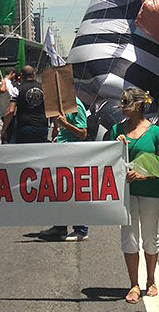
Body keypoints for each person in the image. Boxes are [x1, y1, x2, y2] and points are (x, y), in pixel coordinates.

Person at [110, 87, 159, 304]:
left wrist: (145, 175)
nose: (122, 105)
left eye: (126, 102)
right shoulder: (117, 129)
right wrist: (114, 145)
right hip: (125, 194)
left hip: (151, 193)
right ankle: (134, 283)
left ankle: (151, 279)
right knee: (129, 239)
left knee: (150, 238)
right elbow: (106, 158)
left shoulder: (155, 132)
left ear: (138, 104)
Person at [39, 97, 89, 242]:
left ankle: (81, 230)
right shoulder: (62, 105)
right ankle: (60, 225)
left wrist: (65, 124)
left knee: (73, 192)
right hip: (62, 154)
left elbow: (83, 133)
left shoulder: (76, 106)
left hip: (73, 155)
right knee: (60, 191)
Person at [2, 65, 47, 144]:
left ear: (21, 76)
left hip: (25, 127)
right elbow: (50, 108)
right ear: (34, 75)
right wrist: (56, 126)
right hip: (42, 126)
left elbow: (11, 111)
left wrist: (4, 129)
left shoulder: (17, 90)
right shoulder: (44, 88)